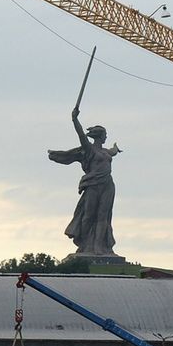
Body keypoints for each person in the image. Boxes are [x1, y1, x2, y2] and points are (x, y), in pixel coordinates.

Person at [48, 107, 122, 255]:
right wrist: (75, 119)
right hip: (93, 185)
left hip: (107, 185)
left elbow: (112, 152)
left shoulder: (106, 152)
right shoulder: (90, 150)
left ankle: (100, 247)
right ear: (100, 136)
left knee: (103, 216)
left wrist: (115, 149)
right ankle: (84, 244)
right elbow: (81, 135)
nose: (106, 137)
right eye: (105, 135)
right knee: (89, 214)